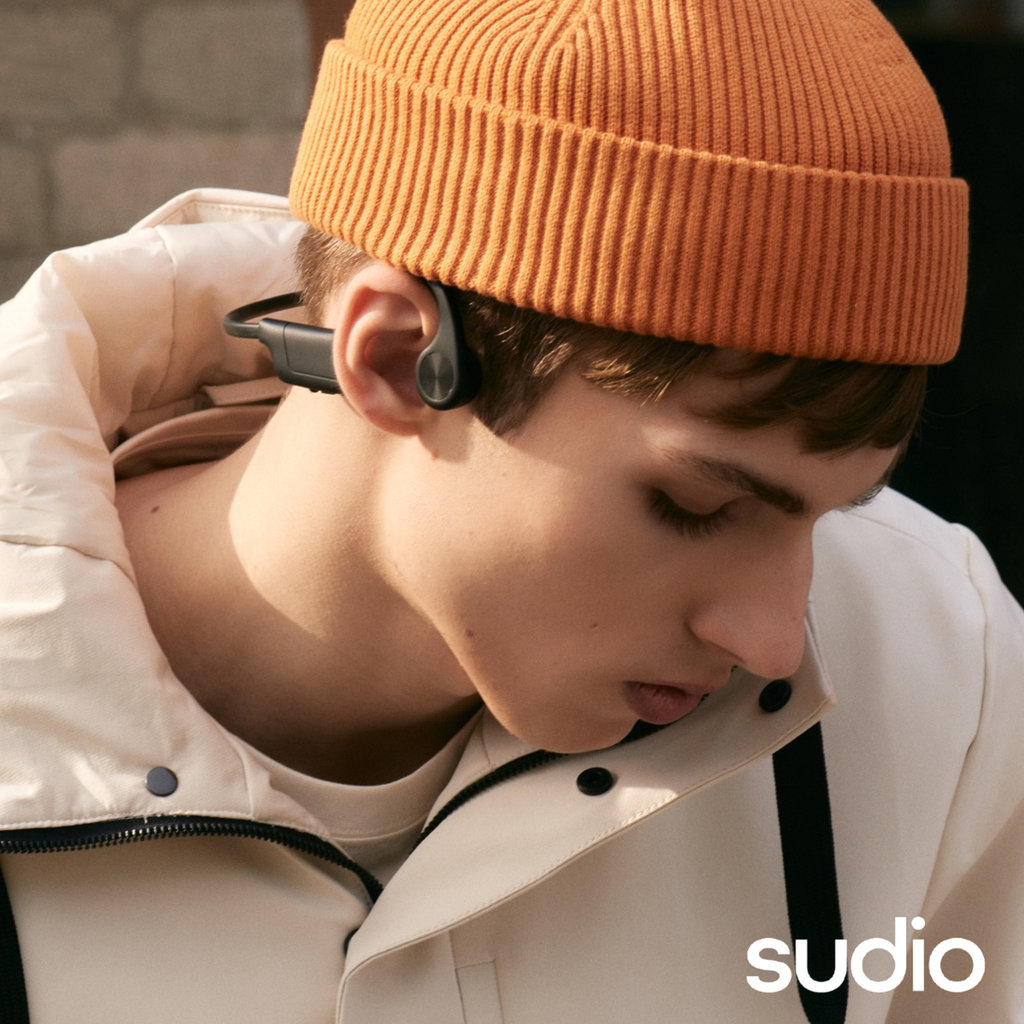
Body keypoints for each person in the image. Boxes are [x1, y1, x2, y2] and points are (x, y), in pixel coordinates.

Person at [0, 1, 1021, 1021]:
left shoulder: (939, 674)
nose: (775, 640)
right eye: (694, 505)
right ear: (398, 359)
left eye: (829, 516)